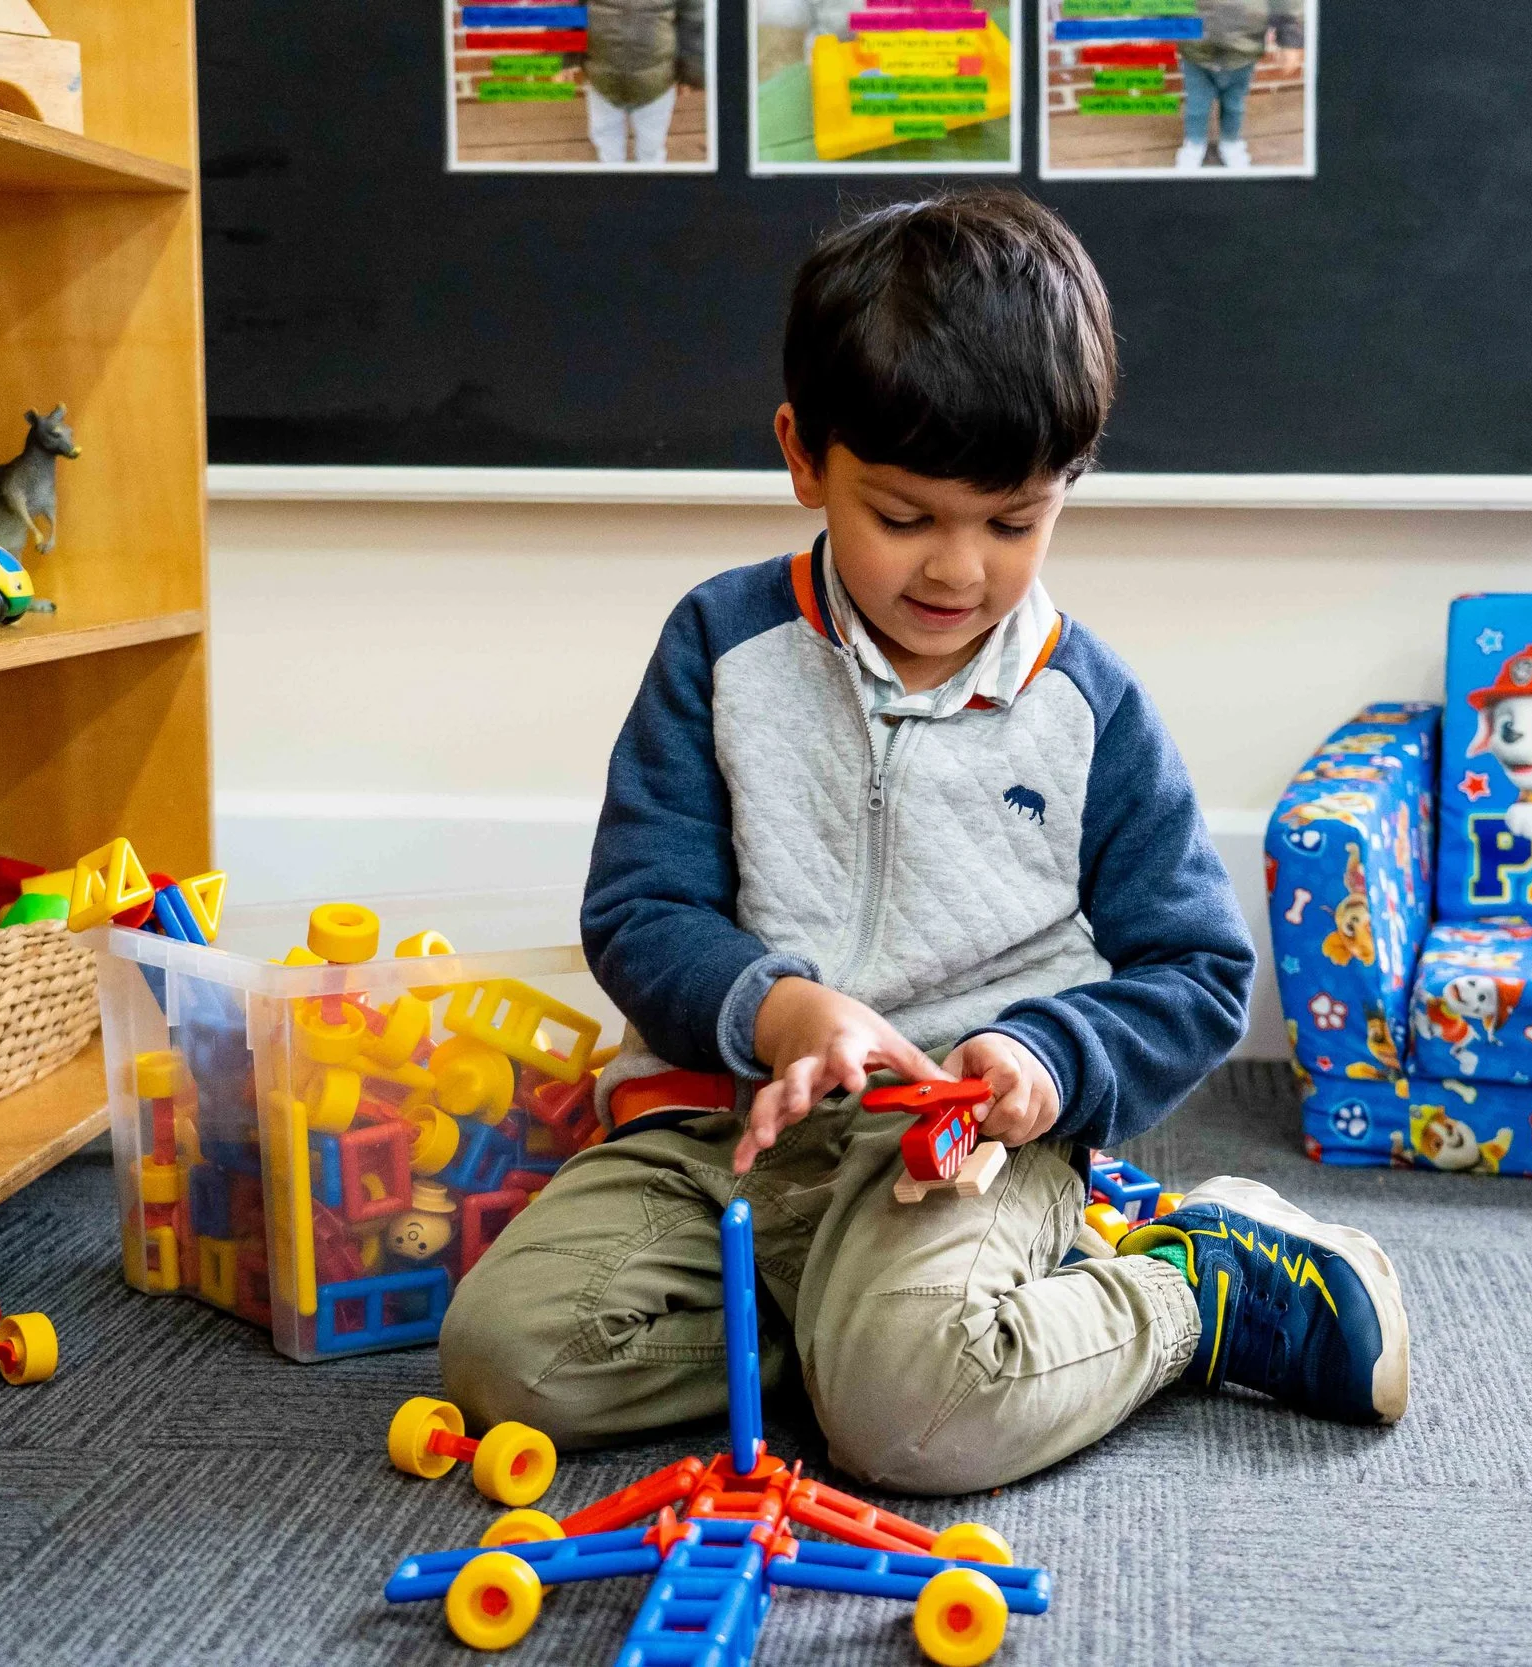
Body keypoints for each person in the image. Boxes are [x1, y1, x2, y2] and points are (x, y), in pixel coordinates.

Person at [441, 189, 1409, 1496]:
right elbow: (640, 909)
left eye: (1013, 520)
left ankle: (1199, 1283)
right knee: (510, 1358)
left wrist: (1040, 1056)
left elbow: (1195, 969)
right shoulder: (721, 651)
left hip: (962, 1147)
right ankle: (864, 1337)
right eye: (905, 514)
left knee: (913, 1428)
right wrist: (784, 1011)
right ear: (803, 455)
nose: (958, 566)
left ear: (1068, 487)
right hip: (732, 1128)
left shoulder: (1088, 708)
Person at [1177, 0, 1306, 170]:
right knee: (1196, 107)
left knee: (1234, 106)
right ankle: (1194, 143)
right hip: (1195, 51)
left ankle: (1230, 141)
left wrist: (1290, 35)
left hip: (1242, 52)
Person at [583, 0, 706, 165]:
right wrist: (562, 58)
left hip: (655, 82)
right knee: (606, 138)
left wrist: (692, 73)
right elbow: (567, 9)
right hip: (603, 77)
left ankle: (649, 173)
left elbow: (694, 21)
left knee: (651, 144)